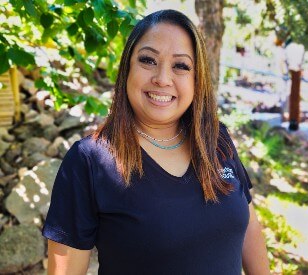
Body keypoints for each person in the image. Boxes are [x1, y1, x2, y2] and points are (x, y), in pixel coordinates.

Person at [42, 9, 270, 275]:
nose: (162, 78)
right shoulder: (89, 161)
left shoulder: (217, 140)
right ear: (127, 68)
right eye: (148, 60)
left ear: (198, 80)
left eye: (181, 66)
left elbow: (249, 227)